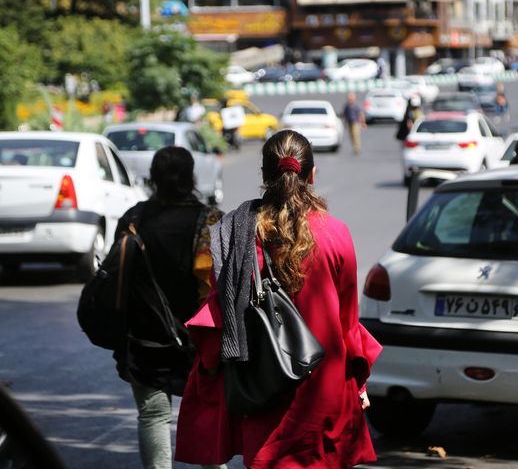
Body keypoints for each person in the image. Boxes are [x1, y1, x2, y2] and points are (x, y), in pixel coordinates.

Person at [175, 129, 383, 468]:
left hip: (263, 393)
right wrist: (359, 382)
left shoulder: (236, 234)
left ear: (264, 174)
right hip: (323, 392)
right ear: (312, 175)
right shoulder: (336, 233)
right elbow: (348, 324)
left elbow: (218, 315)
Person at [113, 146, 224, 469]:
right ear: (191, 177)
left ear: (153, 178)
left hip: (144, 338)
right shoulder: (210, 221)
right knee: (207, 414)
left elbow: (117, 278)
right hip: (201, 341)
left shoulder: (133, 219)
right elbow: (221, 285)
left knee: (153, 415)